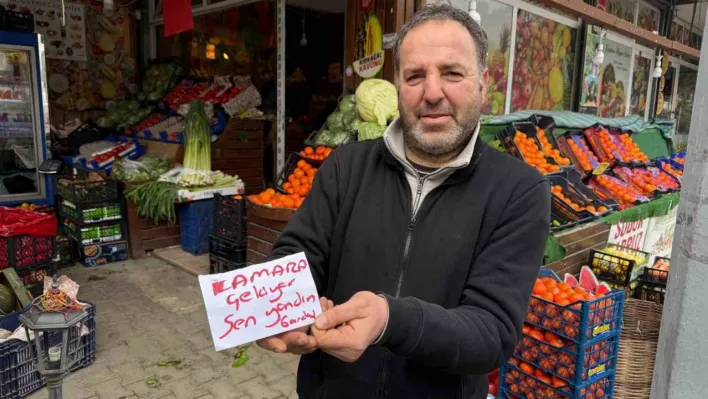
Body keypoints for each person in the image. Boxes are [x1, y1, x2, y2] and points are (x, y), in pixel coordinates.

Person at [257, 4, 551, 398]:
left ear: (483, 83)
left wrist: (388, 320)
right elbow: (298, 252)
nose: (432, 93)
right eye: (415, 76)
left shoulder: (519, 191)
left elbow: (491, 332)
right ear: (397, 85)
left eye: (451, 73)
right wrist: (278, 311)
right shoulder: (346, 166)